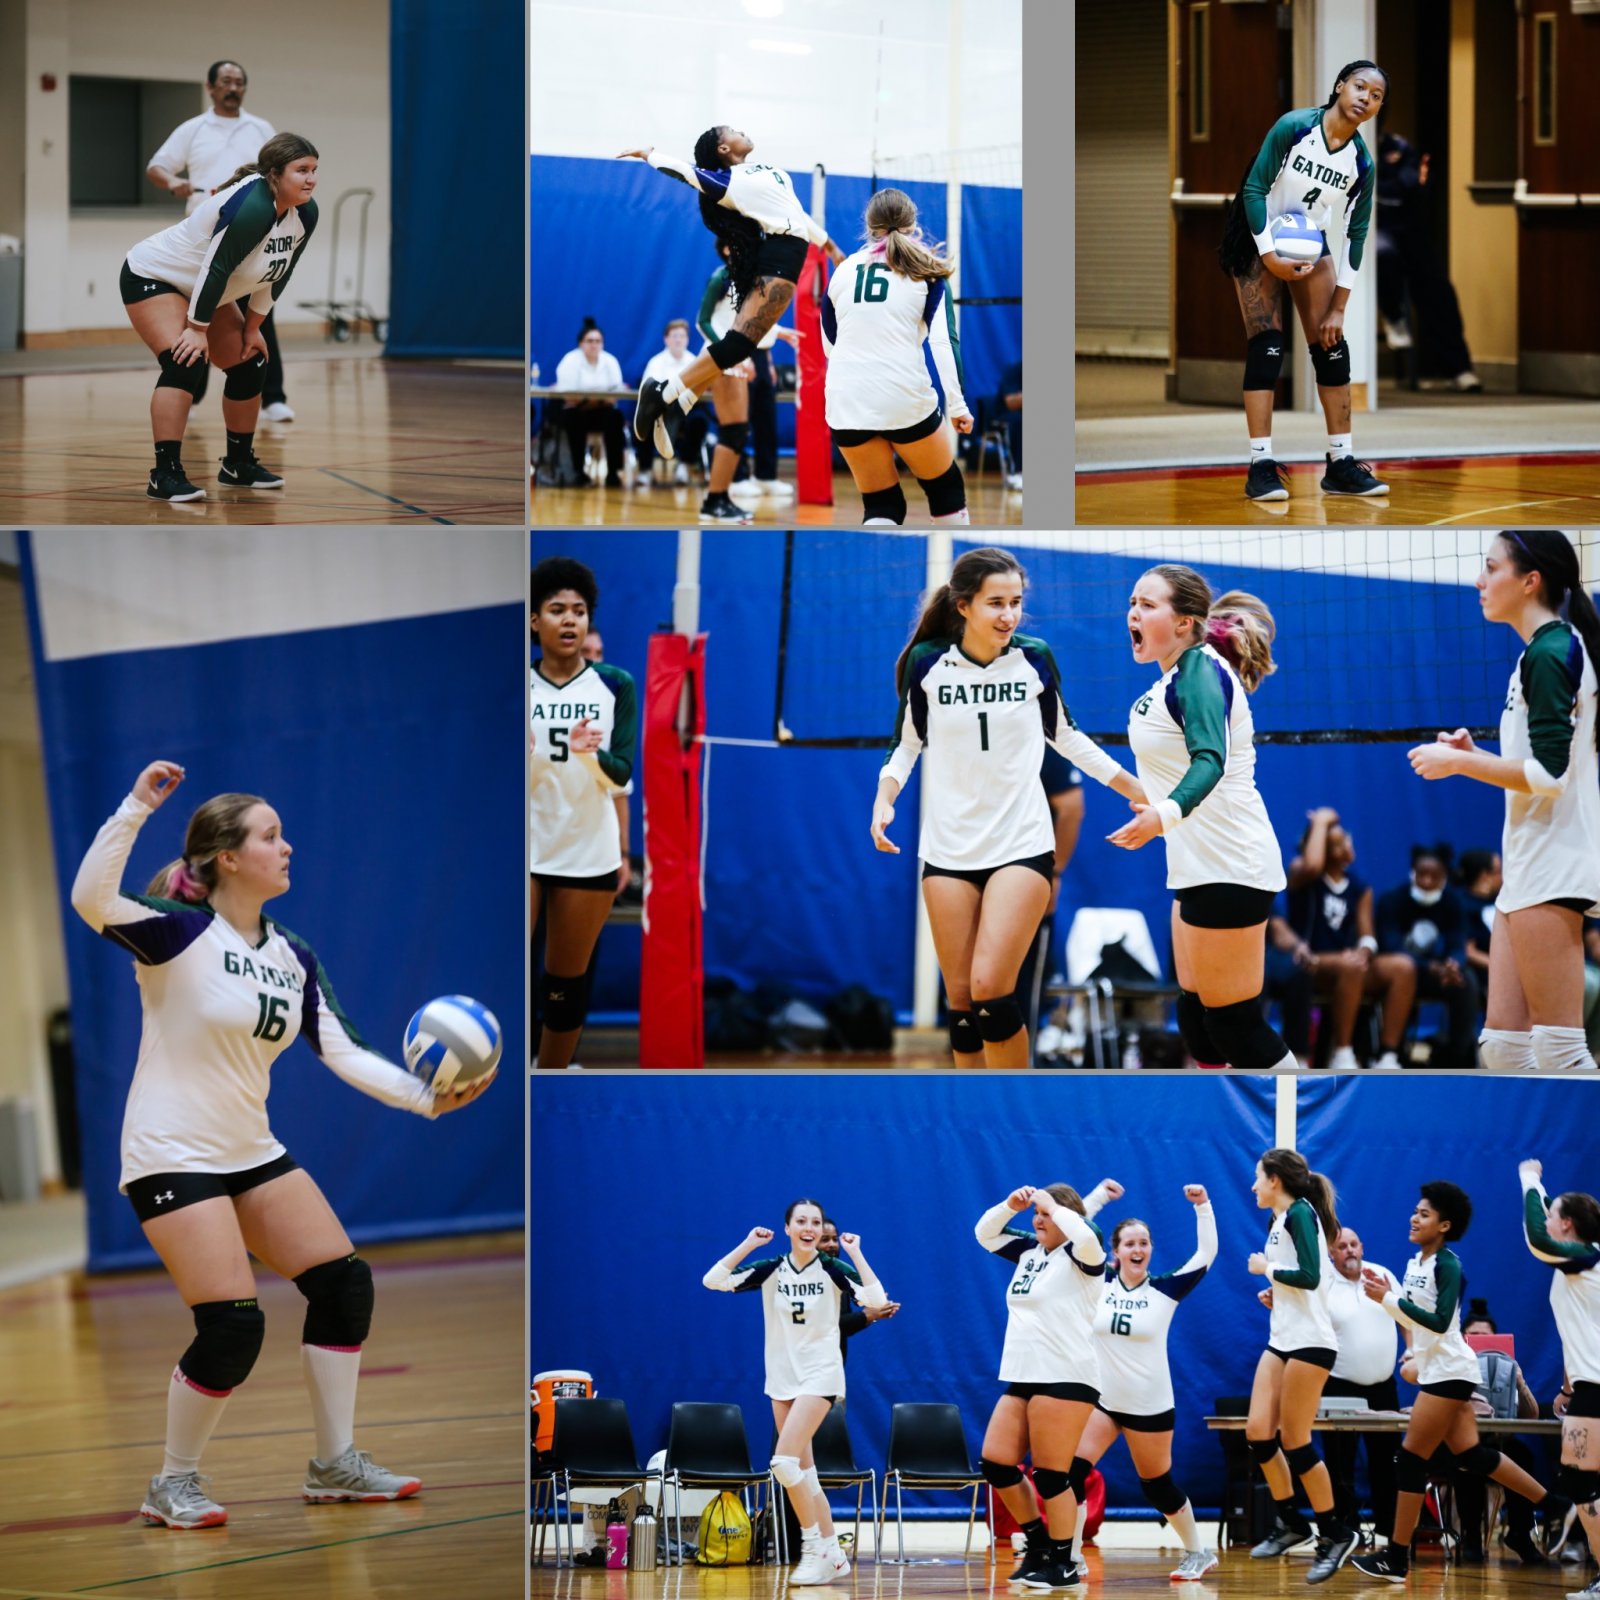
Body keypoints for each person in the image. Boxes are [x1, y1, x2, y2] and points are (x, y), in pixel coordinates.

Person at [68, 761, 492, 1530]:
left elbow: (345, 1051)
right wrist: (135, 806)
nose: (287, 847)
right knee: (233, 1323)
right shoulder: (177, 932)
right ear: (229, 857)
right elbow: (90, 899)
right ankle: (173, 1482)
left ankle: (334, 1464)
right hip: (172, 1155)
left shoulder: (291, 956)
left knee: (343, 1284)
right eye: (271, 836)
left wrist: (427, 1100)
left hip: (248, 1150)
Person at [870, 547, 1144, 1068]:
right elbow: (906, 743)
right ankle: (975, 1110)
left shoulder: (1034, 657)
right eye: (996, 603)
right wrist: (885, 800)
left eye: (1016, 602)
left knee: (992, 991)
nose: (1008, 615)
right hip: (948, 847)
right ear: (963, 606)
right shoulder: (928, 662)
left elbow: (1067, 736)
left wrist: (1132, 787)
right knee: (962, 1004)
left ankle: (1016, 1102)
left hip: (1022, 843)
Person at [1408, 531, 1600, 1072]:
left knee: (1560, 1050)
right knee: (1504, 1048)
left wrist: (1461, 764)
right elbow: (1541, 759)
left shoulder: (1553, 650)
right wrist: (1477, 753)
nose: (1479, 580)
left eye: (1491, 568)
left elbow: (1550, 775)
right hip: (1528, 861)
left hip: (1555, 861)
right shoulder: (1537, 655)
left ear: (1530, 581)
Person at [1108, 565, 1294, 1072]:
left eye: (1148, 605)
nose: (1133, 612)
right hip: (1196, 863)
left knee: (1235, 1025)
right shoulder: (1175, 677)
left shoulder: (1200, 670)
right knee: (1198, 1024)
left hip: (1231, 863)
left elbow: (1209, 759)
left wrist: (1162, 815)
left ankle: (1299, 1110)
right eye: (1133, 602)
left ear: (1186, 621)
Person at [1351, 1180, 1571, 1580]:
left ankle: (1397, 1558)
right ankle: (1555, 1503)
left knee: (1409, 1458)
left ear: (1445, 1225)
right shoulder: (1414, 1263)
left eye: (1424, 1214)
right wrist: (1388, 1301)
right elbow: (1412, 1319)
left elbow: (1438, 1322)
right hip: (1437, 1368)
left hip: (1451, 1371)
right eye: (1415, 1211)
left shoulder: (1447, 1265)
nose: (1414, 1218)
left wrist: (1386, 1298)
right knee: (1472, 1456)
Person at [1216, 61, 1390, 503]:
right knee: (1267, 344)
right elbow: (1254, 189)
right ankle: (1260, 466)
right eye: (1359, 86)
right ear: (1338, 87)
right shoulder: (1294, 127)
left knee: (1332, 344)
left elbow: (1356, 234)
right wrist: (1269, 256)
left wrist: (1340, 307)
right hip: (1259, 233)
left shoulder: (1361, 164)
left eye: (1376, 95)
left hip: (1308, 240)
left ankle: (1341, 462)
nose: (1365, 98)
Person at [619, 127, 844, 459]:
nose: (744, 131)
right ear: (723, 148)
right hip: (780, 257)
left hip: (786, 253)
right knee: (739, 344)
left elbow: (795, 213)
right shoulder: (730, 182)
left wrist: (829, 245)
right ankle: (663, 393)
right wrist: (650, 155)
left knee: (739, 345)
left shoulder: (766, 171)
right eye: (734, 131)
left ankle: (678, 405)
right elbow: (688, 173)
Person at [122, 132, 318, 501]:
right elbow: (216, 268)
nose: (311, 179)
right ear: (274, 174)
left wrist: (254, 329)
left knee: (250, 361)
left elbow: (278, 273)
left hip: (205, 286)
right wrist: (197, 329)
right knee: (186, 360)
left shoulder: (305, 213)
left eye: (314, 170)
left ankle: (238, 465)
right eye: (301, 170)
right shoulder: (254, 206)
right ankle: (164, 474)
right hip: (155, 276)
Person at [703, 1200, 887, 1585]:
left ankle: (814, 1548)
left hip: (821, 1374)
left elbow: (875, 1299)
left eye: (815, 1222)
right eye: (801, 1221)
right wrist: (749, 1244)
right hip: (783, 1377)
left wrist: (855, 1251)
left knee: (783, 1463)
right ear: (787, 1227)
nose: (809, 1227)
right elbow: (714, 1279)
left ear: (822, 1230)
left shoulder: (833, 1268)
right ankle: (835, 1553)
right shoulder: (771, 1268)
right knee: (806, 1472)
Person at [1074, 1179, 1220, 1581]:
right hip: (1104, 1402)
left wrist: (1203, 1206)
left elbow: (1206, 1253)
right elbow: (1074, 1232)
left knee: (1156, 1486)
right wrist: (1099, 1198)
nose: (1139, 1249)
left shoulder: (1166, 1289)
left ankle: (1198, 1551)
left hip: (1148, 1404)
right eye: (1130, 1243)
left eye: (1144, 1242)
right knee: (1070, 1471)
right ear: (1114, 1252)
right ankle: (1070, 1556)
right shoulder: (1097, 1281)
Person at [530, 558, 636, 1070]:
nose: (570, 620)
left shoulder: (615, 685)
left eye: (579, 611)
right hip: (527, 847)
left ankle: (548, 1077)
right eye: (556, 610)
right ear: (534, 622)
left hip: (586, 850)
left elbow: (621, 777)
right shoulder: (519, 686)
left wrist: (590, 753)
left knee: (564, 984)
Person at [975, 1181, 1107, 1591]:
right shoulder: (1030, 1253)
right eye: (1037, 1215)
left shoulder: (1084, 1255)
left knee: (1052, 1476)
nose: (1038, 1221)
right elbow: (984, 1233)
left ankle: (1064, 1562)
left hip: (1067, 1375)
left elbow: (1087, 1234)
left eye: (1046, 1215)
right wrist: (1010, 1204)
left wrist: (1054, 1205)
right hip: (1024, 1373)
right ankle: (1037, 1544)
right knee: (996, 1462)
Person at [146, 60, 295, 424]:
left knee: (259, 314)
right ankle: (193, 396)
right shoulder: (193, 129)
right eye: (226, 81)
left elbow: (280, 169)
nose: (233, 87)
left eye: (239, 82)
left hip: (255, 234)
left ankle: (271, 397)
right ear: (211, 87)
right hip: (205, 237)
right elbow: (156, 167)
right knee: (203, 312)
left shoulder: (260, 128)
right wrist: (172, 183)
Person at [821, 188, 972, 527]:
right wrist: (958, 405)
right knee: (946, 491)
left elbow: (830, 344)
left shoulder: (842, 271)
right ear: (912, 223)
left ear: (869, 225)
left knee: (881, 505)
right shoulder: (926, 269)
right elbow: (944, 344)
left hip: (845, 400)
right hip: (902, 394)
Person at [1243, 1147, 1357, 1582]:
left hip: (1311, 1343)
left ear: (1275, 1180)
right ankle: (1292, 1522)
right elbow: (1307, 1282)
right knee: (1258, 1432)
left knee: (1296, 1439)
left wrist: (1267, 1270)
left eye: (1258, 1177)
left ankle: (1334, 1532)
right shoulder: (1279, 1220)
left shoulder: (1301, 1214)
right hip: (1283, 1338)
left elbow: (1308, 1275)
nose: (1253, 1186)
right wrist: (1277, 1292)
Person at [1520, 1157, 1600, 1593]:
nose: (1546, 1218)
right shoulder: (1584, 1262)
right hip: (1588, 1386)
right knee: (1580, 1479)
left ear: (1567, 1225)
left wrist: (1529, 1181)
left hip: (1598, 1389)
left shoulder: (1583, 1259)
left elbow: (1536, 1235)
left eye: (1553, 1214)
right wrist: (1569, 1385)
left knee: (1581, 1481)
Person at [1282, 808, 1413, 1070]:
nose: (1348, 844)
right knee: (1350, 965)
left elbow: (1367, 931)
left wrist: (1365, 949)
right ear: (1323, 849)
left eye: (1347, 838)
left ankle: (1387, 1055)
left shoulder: (1359, 886)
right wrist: (1321, 821)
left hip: (1347, 964)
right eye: (1339, 842)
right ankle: (1342, 1053)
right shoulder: (1302, 872)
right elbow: (1312, 864)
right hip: (1309, 960)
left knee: (1402, 967)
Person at [692, 245, 795, 525]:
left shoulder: (751, 279)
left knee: (737, 430)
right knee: (732, 428)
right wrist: (728, 352)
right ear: (727, 249)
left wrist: (780, 332)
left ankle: (718, 499)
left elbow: (747, 322)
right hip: (721, 358)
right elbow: (703, 321)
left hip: (738, 358)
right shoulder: (720, 278)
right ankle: (717, 498)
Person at [1374, 129, 1481, 392]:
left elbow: (1411, 187)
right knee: (1383, 259)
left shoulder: (1401, 147)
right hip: (1373, 233)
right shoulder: (1347, 145)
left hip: (1409, 231)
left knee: (1438, 289)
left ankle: (1458, 368)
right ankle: (1394, 317)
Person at [1321, 1227, 1406, 1543]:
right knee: (1340, 1463)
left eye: (1354, 1244)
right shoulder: (1324, 1284)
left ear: (1362, 1246)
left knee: (1387, 1460)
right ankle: (1345, 1529)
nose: (1349, 1250)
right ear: (1332, 1253)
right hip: (1339, 1385)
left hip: (1384, 1386)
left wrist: (1411, 1350)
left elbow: (1406, 1316)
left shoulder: (1381, 1275)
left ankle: (1388, 1529)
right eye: (1342, 1246)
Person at [1374, 845, 1482, 1068]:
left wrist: (1454, 964)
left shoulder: (1453, 902)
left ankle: (1457, 1058)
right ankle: (1390, 1053)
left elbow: (1457, 942)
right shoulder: (1392, 899)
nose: (1426, 881)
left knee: (1465, 981)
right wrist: (1429, 966)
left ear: (1445, 877)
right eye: (1421, 874)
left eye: (1434, 876)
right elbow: (1390, 946)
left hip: (1438, 974)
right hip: (1403, 973)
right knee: (1403, 973)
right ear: (1412, 872)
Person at [1454, 1300, 1543, 1564]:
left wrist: (1520, 1384)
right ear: (1463, 1339)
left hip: (1500, 1441)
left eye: (1487, 1337)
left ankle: (1520, 1534)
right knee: (1470, 1459)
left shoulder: (1505, 1368)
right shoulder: (1452, 1366)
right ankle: (1471, 1536)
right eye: (1475, 1336)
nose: (1482, 1341)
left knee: (1522, 1457)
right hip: (1459, 1441)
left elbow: (1532, 1417)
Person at [551, 320, 627, 489]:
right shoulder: (570, 360)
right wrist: (598, 399)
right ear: (581, 343)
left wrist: (589, 399)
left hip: (601, 412)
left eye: (598, 341)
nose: (594, 345)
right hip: (577, 412)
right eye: (590, 341)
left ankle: (613, 472)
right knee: (573, 419)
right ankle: (579, 472)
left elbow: (616, 395)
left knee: (615, 418)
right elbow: (569, 397)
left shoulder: (610, 361)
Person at [635, 320, 709, 485]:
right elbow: (649, 390)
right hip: (661, 408)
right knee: (645, 418)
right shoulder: (656, 362)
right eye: (674, 336)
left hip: (686, 410)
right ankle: (645, 470)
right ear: (666, 339)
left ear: (687, 340)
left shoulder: (695, 361)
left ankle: (684, 466)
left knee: (699, 421)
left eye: (682, 336)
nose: (678, 340)